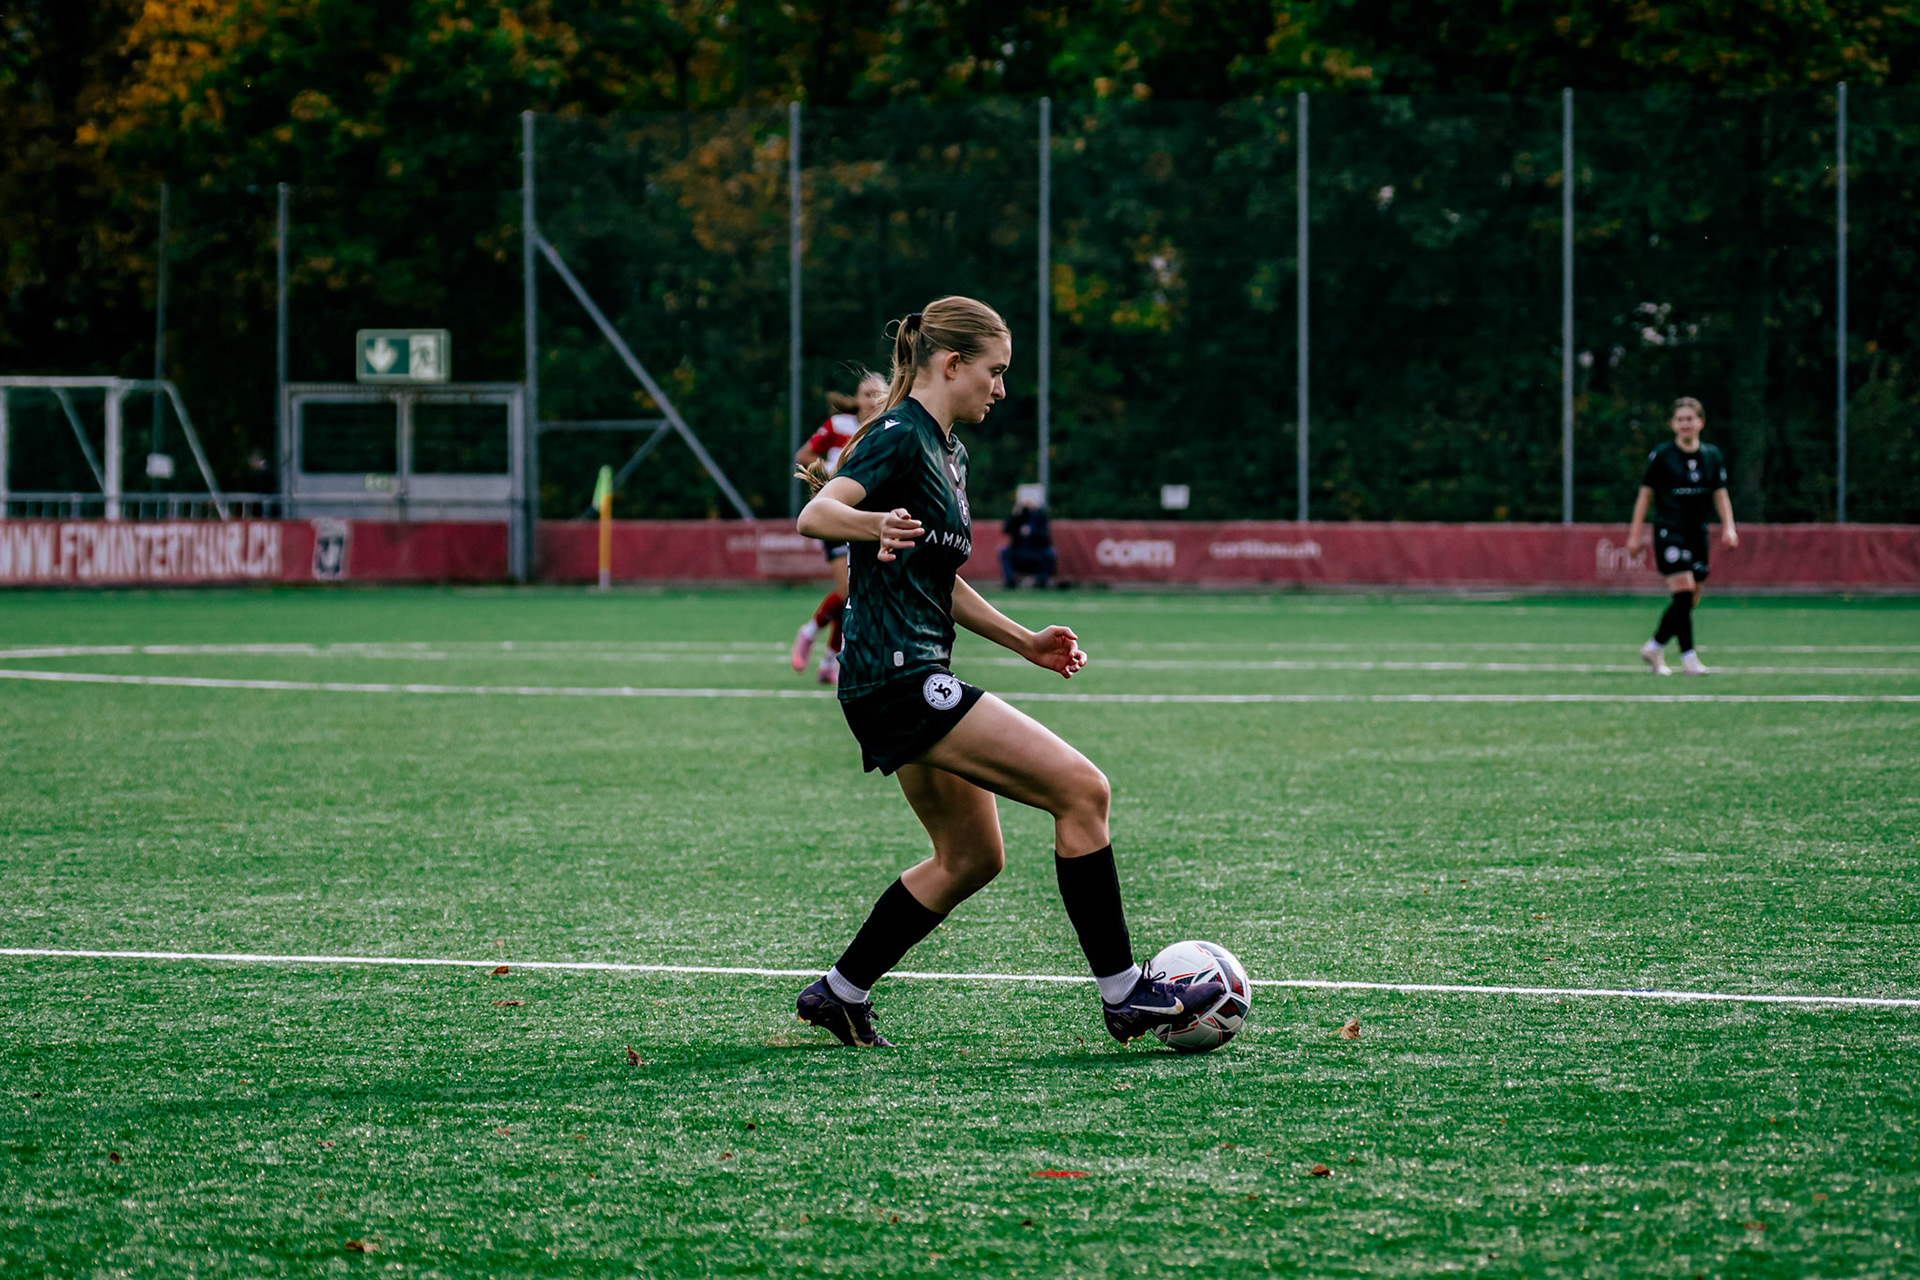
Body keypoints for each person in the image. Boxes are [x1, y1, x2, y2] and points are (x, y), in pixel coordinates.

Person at [789, 295, 1222, 1048]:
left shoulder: (949, 452)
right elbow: (816, 515)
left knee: (970, 858)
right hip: (896, 678)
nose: (1001, 388)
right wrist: (871, 524)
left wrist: (1024, 641)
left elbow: (938, 580)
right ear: (952, 365)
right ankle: (1123, 994)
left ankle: (839, 991)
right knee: (1083, 791)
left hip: (904, 675)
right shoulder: (895, 436)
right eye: (994, 372)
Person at [1625, 396, 1739, 676]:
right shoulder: (1662, 456)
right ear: (1673, 424)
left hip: (1696, 532)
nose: (1685, 424)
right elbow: (1645, 495)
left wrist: (1729, 526)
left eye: (1690, 419)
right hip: (1669, 530)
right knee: (1684, 591)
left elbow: (1720, 493)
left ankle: (1654, 646)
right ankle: (1689, 658)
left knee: (1690, 598)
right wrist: (1635, 534)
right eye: (1680, 420)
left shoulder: (1711, 456)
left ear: (1700, 422)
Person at [790, 373, 888, 685]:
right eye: (866, 394)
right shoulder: (839, 426)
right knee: (848, 591)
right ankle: (809, 632)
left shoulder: (888, 429)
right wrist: (830, 479)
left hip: (867, 517)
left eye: (878, 394)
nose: (872, 400)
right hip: (837, 515)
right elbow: (804, 456)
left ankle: (829, 663)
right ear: (857, 398)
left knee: (855, 595)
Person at [1000, 494, 1056, 588]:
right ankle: (1010, 581)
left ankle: (1042, 580)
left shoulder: (1040, 517)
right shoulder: (1020, 516)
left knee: (1049, 553)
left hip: (1037, 550)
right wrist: (1015, 514)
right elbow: (1006, 529)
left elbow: (1045, 536)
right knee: (1004, 552)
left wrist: (1031, 533)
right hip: (1019, 550)